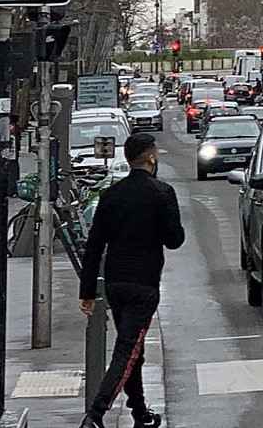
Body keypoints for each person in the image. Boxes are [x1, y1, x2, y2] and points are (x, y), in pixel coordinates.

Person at [80, 133, 185, 428]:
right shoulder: (161, 192)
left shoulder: (112, 195)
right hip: (144, 283)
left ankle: (140, 412)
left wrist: (87, 290)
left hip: (116, 282)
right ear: (150, 157)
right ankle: (96, 414)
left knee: (132, 349)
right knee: (127, 350)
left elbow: (94, 245)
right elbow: (175, 239)